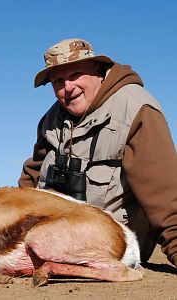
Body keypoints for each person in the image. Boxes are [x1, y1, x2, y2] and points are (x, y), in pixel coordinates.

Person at [18, 38, 177, 267]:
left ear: (98, 72)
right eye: (58, 81)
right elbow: (31, 178)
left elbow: (166, 198)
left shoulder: (136, 110)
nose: (68, 87)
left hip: (113, 247)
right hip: (55, 241)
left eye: (75, 75)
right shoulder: (52, 118)